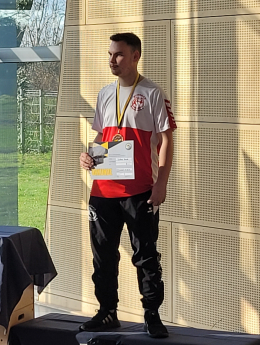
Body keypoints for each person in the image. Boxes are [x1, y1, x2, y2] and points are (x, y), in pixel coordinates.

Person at [78, 32, 176, 339]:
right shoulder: (105, 93)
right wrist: (87, 155)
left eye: (118, 54)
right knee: (103, 257)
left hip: (140, 191)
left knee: (145, 256)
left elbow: (167, 140)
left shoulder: (152, 93)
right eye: (110, 54)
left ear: (135, 56)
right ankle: (107, 312)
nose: (112, 60)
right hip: (103, 190)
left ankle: (152, 315)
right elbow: (101, 137)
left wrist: (161, 183)